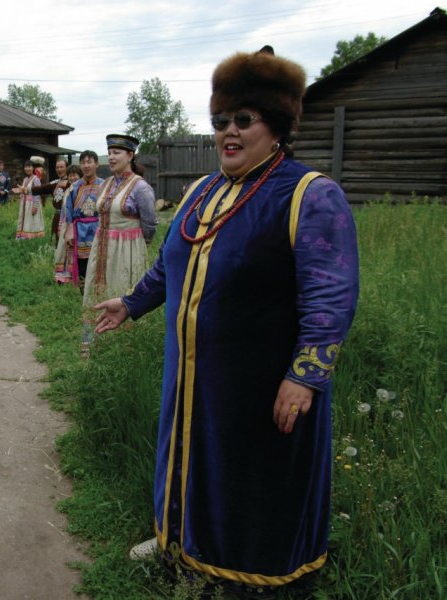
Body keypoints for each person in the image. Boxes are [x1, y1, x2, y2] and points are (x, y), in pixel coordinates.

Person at [94, 47, 360, 595]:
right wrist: (133, 302)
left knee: (251, 471)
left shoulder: (310, 195)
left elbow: (330, 297)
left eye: (244, 120)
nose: (228, 132)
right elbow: (173, 262)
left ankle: (250, 573)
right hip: (191, 374)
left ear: (278, 126)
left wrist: (305, 375)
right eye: (220, 122)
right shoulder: (202, 191)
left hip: (262, 379)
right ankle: (179, 542)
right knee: (187, 453)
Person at [80, 134, 157, 356]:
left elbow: (150, 223)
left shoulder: (140, 188)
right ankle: (93, 346)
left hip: (127, 250)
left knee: (122, 289)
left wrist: (136, 247)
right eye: (110, 152)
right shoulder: (106, 184)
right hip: (101, 247)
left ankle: (123, 350)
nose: (111, 158)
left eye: (117, 153)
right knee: (96, 293)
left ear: (130, 155)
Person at [64, 150, 103, 288]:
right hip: (79, 231)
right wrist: (69, 231)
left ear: (96, 164)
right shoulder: (74, 187)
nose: (86, 166)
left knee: (99, 264)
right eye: (83, 162)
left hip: (99, 230)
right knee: (83, 267)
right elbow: (68, 211)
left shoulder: (105, 186)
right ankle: (84, 298)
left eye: (89, 162)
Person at [29, 158, 70, 243]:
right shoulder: (56, 183)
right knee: (56, 242)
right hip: (57, 217)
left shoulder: (72, 183)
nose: (59, 169)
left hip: (68, 218)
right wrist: (25, 190)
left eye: (61, 167)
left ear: (67, 168)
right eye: (57, 167)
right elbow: (42, 188)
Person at [53, 164, 82, 284]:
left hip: (76, 225)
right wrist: (60, 225)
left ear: (80, 176)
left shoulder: (81, 189)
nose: (72, 178)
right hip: (65, 225)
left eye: (75, 175)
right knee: (62, 251)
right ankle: (63, 277)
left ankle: (76, 276)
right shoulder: (68, 190)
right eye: (70, 175)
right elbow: (64, 210)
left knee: (74, 251)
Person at [12, 160, 45, 240]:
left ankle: (32, 236)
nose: (27, 168)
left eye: (29, 166)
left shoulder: (36, 179)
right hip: (25, 203)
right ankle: (22, 235)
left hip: (32, 203)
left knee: (31, 220)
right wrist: (18, 190)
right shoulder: (25, 179)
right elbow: (25, 190)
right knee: (25, 220)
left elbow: (37, 193)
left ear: (33, 168)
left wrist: (35, 206)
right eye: (26, 167)